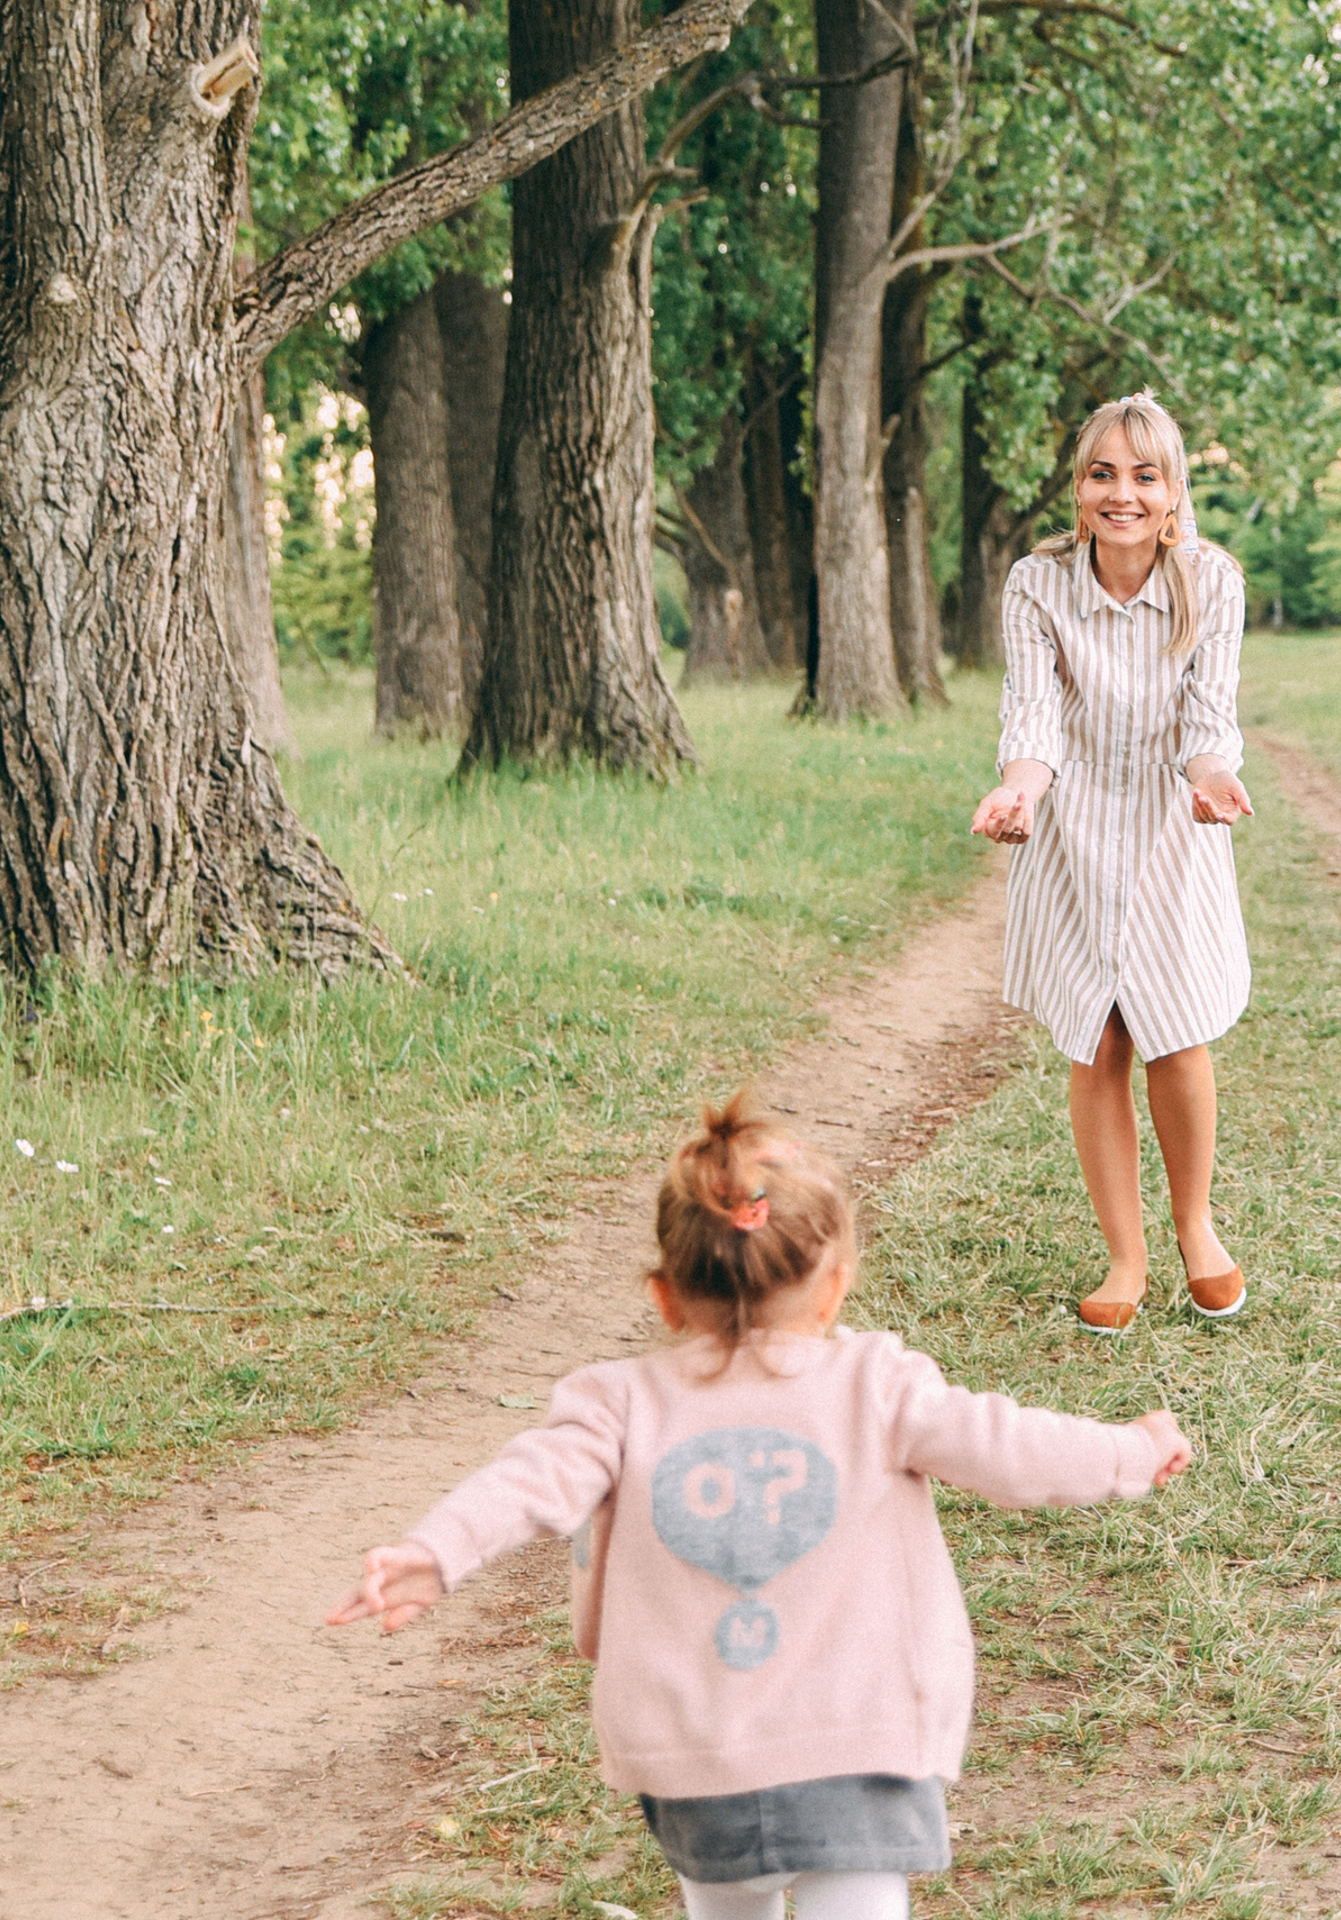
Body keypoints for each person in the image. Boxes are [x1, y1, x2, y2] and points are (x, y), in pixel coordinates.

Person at [329, 1096, 1192, 1920]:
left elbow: (527, 1479)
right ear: (835, 1286)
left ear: (665, 1296)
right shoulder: (877, 1384)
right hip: (859, 1745)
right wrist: (1133, 1450)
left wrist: (435, 1552)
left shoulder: (617, 1401)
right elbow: (1013, 1449)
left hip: (695, 1761)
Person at [970, 392, 1253, 1335]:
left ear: (1174, 492)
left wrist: (1214, 778)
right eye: (1102, 474)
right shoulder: (1036, 582)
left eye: (1144, 476)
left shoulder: (1211, 581)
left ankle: (1195, 1228)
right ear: (1078, 487)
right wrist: (1019, 789)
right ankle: (1123, 1256)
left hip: (1174, 821)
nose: (1122, 494)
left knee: (1175, 1027)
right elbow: (1033, 715)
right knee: (1099, 1036)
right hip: (1073, 824)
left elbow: (1209, 719)